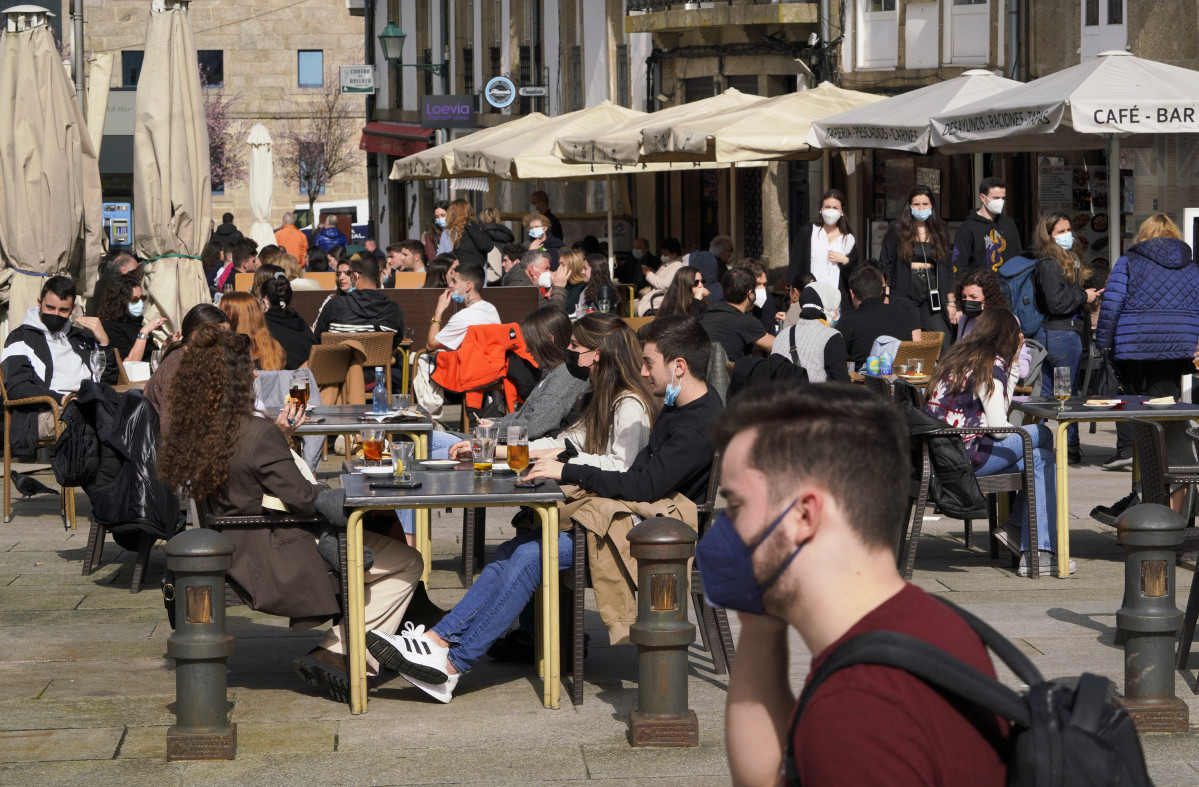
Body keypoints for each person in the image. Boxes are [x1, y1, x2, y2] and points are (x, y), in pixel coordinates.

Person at [373, 315, 721, 702]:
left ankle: (453, 664)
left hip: (648, 537)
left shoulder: (693, 424)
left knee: (531, 553)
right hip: (630, 519)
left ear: (679, 366)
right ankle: (438, 640)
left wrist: (569, 470)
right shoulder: (679, 409)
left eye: (649, 363)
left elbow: (643, 483)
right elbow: (600, 457)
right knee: (514, 549)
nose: (642, 371)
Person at [707, 384, 1008, 786]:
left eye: (737, 506)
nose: (722, 528)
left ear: (804, 515)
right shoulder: (929, 624)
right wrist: (759, 625)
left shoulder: (859, 707)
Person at [157, 325, 423, 703]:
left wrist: (280, 435)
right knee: (408, 561)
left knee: (383, 534)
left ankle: (348, 649)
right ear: (229, 378)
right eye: (247, 368)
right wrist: (344, 494)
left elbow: (250, 480)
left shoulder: (197, 428)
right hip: (275, 553)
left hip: (232, 544)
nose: (255, 374)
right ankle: (341, 652)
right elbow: (301, 498)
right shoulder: (253, 430)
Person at [926, 309, 1070, 577]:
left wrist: (1013, 365)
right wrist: (1013, 364)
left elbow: (998, 410)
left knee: (1040, 458)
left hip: (938, 455)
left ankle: (1031, 546)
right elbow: (999, 429)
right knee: (1043, 435)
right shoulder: (988, 365)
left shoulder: (957, 358)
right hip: (963, 460)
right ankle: (1027, 541)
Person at [1091, 213, 1199, 519]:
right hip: (1176, 351)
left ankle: (1145, 494)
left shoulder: (1129, 262)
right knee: (1165, 419)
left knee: (1140, 422)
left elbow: (1111, 307)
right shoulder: (1190, 267)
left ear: (1145, 235)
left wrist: (1103, 344)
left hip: (1133, 349)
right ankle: (1159, 494)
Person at [1, 276, 118, 456]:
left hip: (89, 405)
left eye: (63, 310)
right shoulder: (20, 338)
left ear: (72, 309)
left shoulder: (82, 338)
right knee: (101, 421)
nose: (55, 314)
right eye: (50, 307)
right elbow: (17, 388)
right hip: (47, 410)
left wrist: (103, 343)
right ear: (39, 303)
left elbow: (108, 381)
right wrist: (61, 399)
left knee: (136, 410)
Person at [526, 313, 658, 469]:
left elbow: (623, 466)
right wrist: (505, 450)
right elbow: (569, 440)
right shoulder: (603, 396)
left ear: (596, 353)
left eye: (574, 345)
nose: (568, 350)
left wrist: (566, 458)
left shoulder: (629, 405)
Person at [1030, 211, 1101, 465]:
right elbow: (1057, 303)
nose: (1067, 235)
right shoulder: (1050, 264)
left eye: (1069, 229)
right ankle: (1070, 447)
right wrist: (1084, 297)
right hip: (1059, 334)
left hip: (1053, 334)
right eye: (1061, 231)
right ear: (1048, 235)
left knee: (1047, 393)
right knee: (1065, 395)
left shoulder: (1059, 261)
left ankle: (1034, 441)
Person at [413, 264, 501, 417]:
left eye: (454, 281)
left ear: (467, 286)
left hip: (467, 377)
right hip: (493, 375)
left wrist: (439, 310)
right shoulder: (492, 309)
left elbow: (430, 344)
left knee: (420, 358)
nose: (450, 285)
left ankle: (426, 417)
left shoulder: (463, 317)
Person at [879, 185, 954, 340]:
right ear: (910, 206)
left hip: (933, 288)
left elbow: (947, 265)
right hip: (906, 287)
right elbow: (886, 262)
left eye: (925, 204)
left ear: (931, 205)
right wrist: (886, 292)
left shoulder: (940, 229)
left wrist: (951, 300)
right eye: (917, 204)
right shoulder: (897, 229)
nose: (921, 208)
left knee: (940, 337)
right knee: (908, 337)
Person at [145, 304, 230, 435]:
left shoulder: (197, 361)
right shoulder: (176, 367)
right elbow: (171, 428)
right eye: (220, 335)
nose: (226, 342)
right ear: (196, 336)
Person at [836, 265, 922, 367]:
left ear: (852, 293)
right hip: (903, 377)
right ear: (882, 290)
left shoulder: (848, 320)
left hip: (864, 380)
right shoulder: (904, 313)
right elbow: (917, 348)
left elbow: (835, 355)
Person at [787, 189, 859, 306]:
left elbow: (853, 275)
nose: (831, 211)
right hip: (809, 300)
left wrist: (845, 261)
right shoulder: (808, 232)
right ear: (821, 209)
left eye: (835, 208)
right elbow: (795, 265)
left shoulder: (848, 239)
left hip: (836, 304)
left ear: (842, 211)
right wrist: (792, 296)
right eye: (827, 207)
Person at [771, 282, 849, 383]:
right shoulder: (831, 337)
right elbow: (842, 383)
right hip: (812, 397)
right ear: (827, 306)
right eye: (835, 307)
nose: (836, 311)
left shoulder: (781, 335)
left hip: (779, 397)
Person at [952, 176, 1022, 281]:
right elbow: (960, 264)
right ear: (982, 197)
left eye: (1003, 198)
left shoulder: (1009, 223)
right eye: (996, 198)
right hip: (981, 288)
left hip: (1009, 287)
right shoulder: (967, 228)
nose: (1000, 202)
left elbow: (1017, 256)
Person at [703, 267, 775, 364]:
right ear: (750, 294)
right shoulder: (745, 321)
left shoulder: (710, 311)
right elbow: (776, 345)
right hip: (732, 375)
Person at [96, 274, 168, 363]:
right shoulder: (111, 327)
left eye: (142, 298)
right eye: (134, 299)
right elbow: (129, 362)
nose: (140, 302)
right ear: (120, 301)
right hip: (136, 376)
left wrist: (165, 348)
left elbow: (151, 358)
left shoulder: (136, 323)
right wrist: (144, 332)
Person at [219, 292, 286, 371]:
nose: (218, 317)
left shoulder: (227, 353)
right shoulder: (275, 349)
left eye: (222, 313)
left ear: (233, 318)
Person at [260, 277, 317, 370]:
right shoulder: (300, 321)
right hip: (310, 378)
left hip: (281, 379)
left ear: (265, 300)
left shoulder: (263, 324)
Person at [735, 258, 785, 336]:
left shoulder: (768, 301)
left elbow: (769, 334)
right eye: (758, 284)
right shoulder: (731, 303)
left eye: (764, 284)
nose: (762, 289)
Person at [442, 199, 495, 271]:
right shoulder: (477, 229)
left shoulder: (449, 232)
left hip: (460, 276)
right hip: (478, 277)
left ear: (451, 213)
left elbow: (441, 257)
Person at [638, 237, 685, 315]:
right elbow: (661, 278)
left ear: (674, 252)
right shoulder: (669, 263)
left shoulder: (677, 265)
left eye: (665, 254)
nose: (663, 256)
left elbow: (664, 284)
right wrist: (652, 273)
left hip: (661, 301)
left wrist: (648, 275)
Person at [87, 249, 139, 317]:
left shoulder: (102, 282)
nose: (137, 276)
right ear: (124, 269)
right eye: (134, 272)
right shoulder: (118, 284)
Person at [689, 235, 735, 303]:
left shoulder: (684, 294)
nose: (731, 254)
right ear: (722, 251)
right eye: (730, 250)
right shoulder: (720, 266)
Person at [477, 207, 514, 284]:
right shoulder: (506, 235)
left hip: (487, 278)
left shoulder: (479, 235)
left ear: (482, 218)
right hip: (505, 277)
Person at [548, 250, 588, 317]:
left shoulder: (583, 287)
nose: (559, 268)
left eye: (563, 265)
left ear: (574, 266)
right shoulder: (564, 285)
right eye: (559, 264)